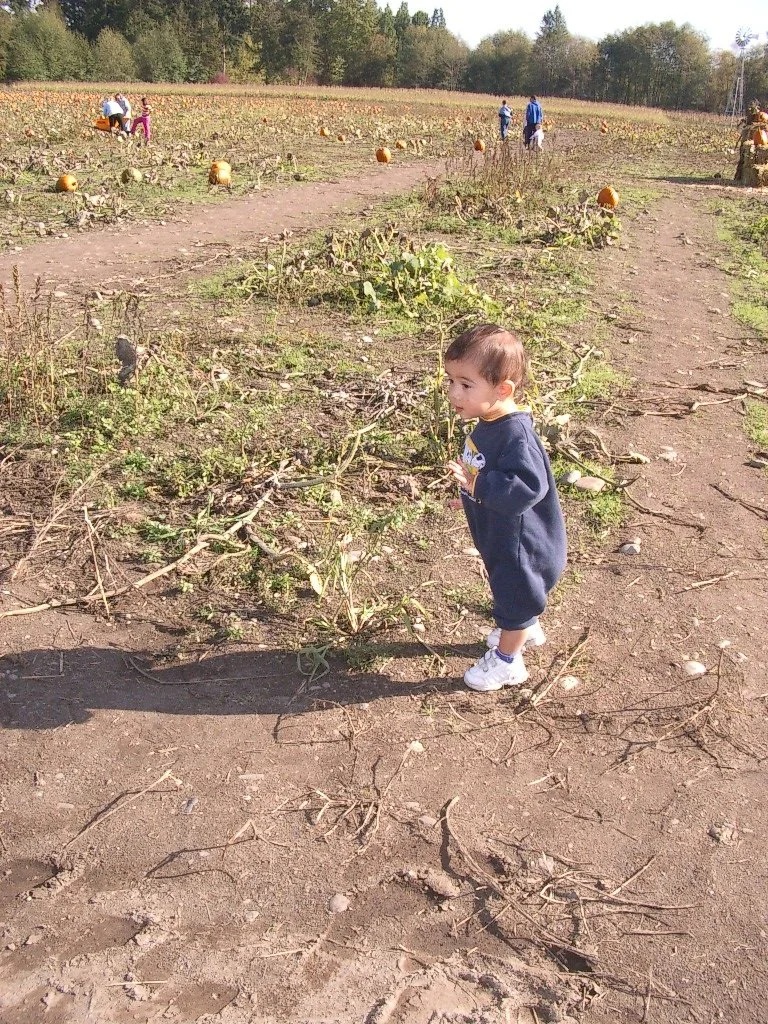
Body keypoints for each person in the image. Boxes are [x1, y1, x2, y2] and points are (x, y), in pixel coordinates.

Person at [445, 324, 567, 692]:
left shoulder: (515, 434)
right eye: (451, 380)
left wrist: (477, 484)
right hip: (501, 532)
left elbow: (529, 486)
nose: (454, 392)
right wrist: (470, 495)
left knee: (513, 595)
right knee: (513, 593)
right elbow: (486, 472)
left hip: (521, 543)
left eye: (466, 385)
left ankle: (507, 662)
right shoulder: (488, 421)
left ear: (503, 389)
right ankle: (526, 629)